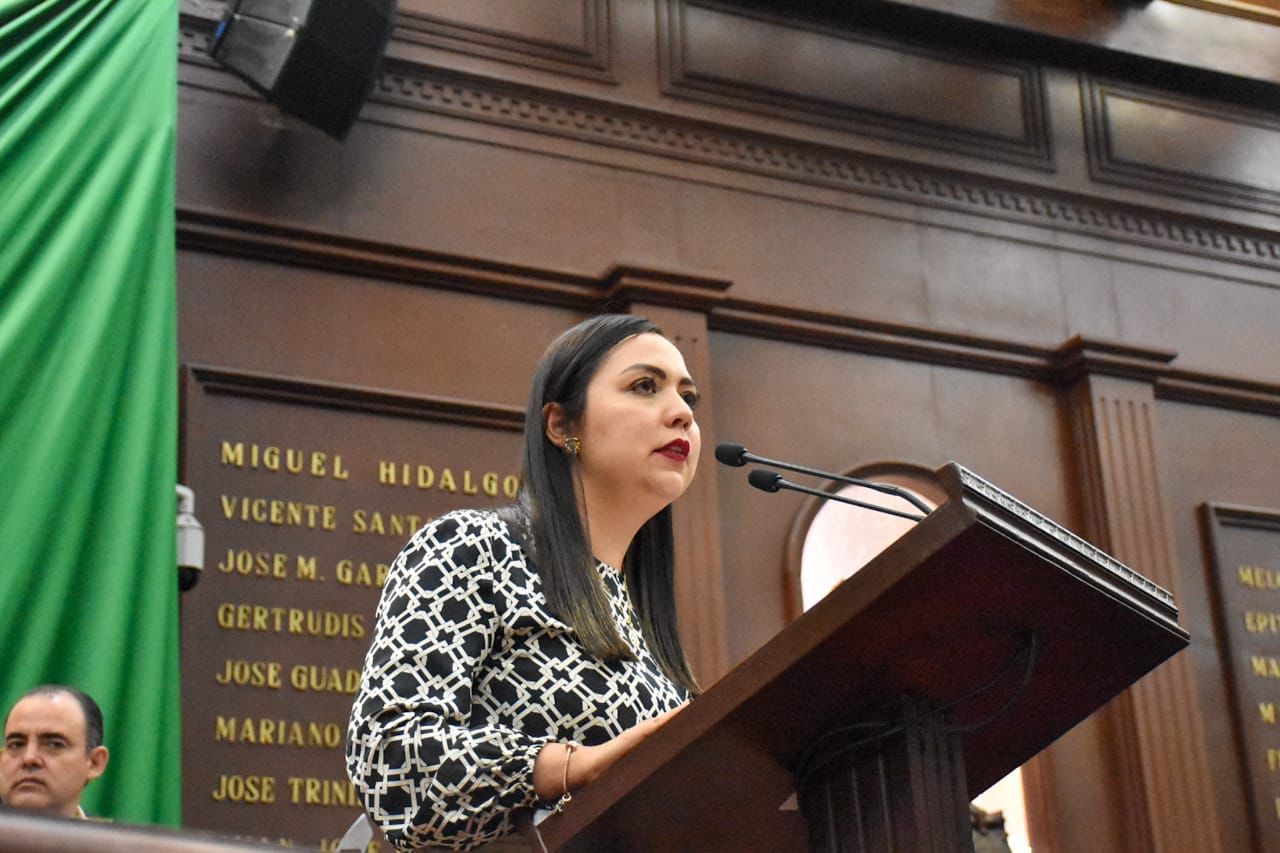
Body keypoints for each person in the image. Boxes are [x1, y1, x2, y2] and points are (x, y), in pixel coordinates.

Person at [347, 314, 703, 851]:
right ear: (562, 427)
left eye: (688, 398)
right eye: (644, 387)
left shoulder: (647, 628)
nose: (681, 414)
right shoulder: (472, 547)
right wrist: (574, 767)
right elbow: (391, 761)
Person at [1, 684, 109, 819]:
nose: (29, 758)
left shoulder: (110, 839)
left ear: (94, 763)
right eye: (16, 745)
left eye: (54, 745)